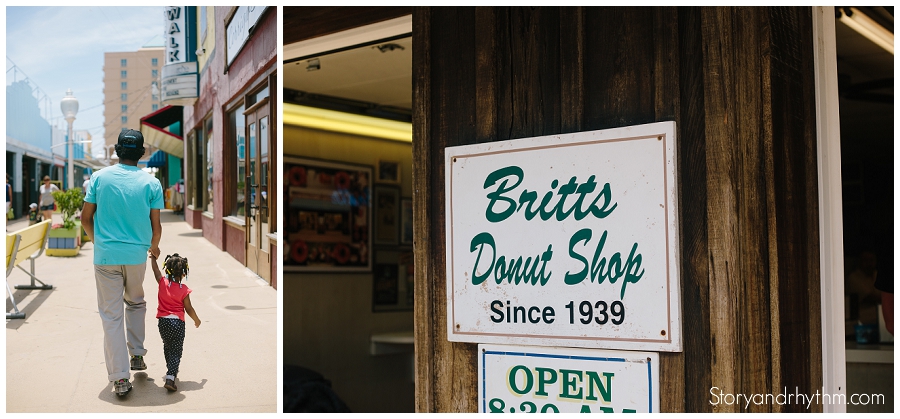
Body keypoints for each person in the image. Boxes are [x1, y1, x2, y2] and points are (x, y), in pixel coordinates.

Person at [81, 128, 164, 396]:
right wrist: (153, 248)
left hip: (106, 256)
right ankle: (137, 355)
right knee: (136, 302)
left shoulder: (98, 178)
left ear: (117, 150)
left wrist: (99, 243)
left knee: (111, 315)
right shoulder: (151, 183)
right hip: (136, 256)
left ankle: (119, 378)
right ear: (141, 153)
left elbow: (85, 218)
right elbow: (156, 226)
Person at [149, 252, 201, 392]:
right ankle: (171, 377)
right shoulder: (183, 290)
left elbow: (155, 270)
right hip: (177, 324)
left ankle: (170, 369)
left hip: (163, 323)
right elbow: (188, 308)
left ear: (167, 269)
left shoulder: (162, 282)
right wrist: (196, 320)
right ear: (184, 273)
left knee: (167, 346)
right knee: (176, 350)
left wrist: (153, 258)